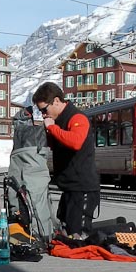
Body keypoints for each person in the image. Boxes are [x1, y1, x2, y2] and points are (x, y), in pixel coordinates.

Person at [32, 82, 99, 238]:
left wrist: (52, 128)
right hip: (69, 187)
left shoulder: (77, 117)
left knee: (78, 234)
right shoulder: (57, 120)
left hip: (82, 188)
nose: (43, 115)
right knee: (65, 230)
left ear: (56, 101)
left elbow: (75, 142)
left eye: (44, 109)